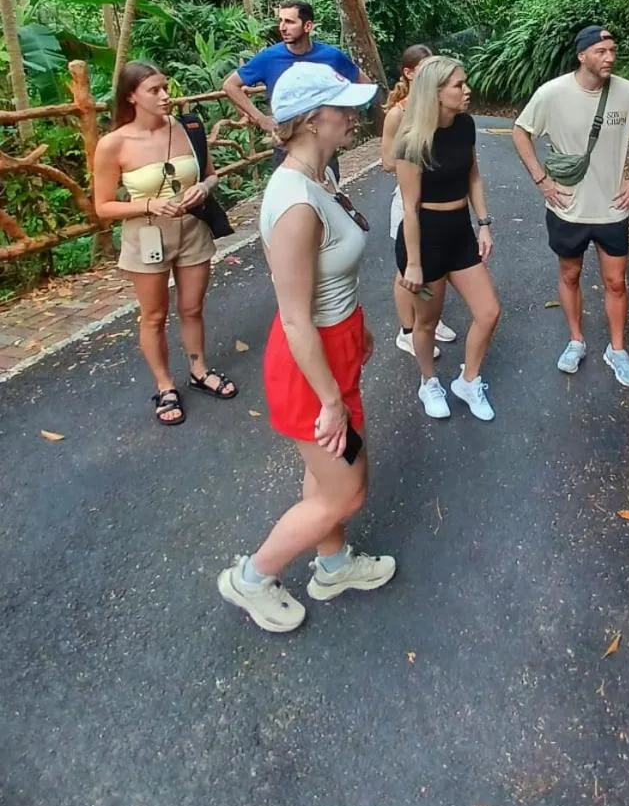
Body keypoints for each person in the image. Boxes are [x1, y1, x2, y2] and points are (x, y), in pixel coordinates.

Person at [218, 62, 394, 633]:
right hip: (309, 364)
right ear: (314, 119)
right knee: (347, 491)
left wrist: (357, 329)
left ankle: (334, 564)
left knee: (324, 478)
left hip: (336, 343)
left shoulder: (319, 179)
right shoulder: (296, 201)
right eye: (344, 108)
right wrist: (330, 400)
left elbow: (328, 283)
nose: (354, 115)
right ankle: (252, 578)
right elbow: (295, 316)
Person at [512, 25, 629, 389]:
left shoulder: (628, 93)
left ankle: (617, 349)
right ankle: (576, 340)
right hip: (567, 208)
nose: (610, 57)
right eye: (601, 51)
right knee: (570, 275)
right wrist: (541, 180)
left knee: (616, 281)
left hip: (612, 208)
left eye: (612, 50)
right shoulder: (552, 94)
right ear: (582, 56)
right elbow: (521, 131)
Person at [92, 62, 238, 426]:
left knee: (192, 307)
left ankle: (199, 370)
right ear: (131, 96)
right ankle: (165, 385)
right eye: (154, 90)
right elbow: (103, 206)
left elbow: (211, 175)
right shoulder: (114, 144)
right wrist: (149, 205)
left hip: (192, 228)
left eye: (165, 88)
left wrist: (203, 188)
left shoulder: (187, 128)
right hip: (147, 235)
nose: (165, 96)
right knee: (154, 315)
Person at [395, 56, 501, 422]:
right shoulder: (412, 140)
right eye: (459, 85)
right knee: (426, 322)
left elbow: (473, 175)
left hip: (460, 231)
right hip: (425, 239)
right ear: (436, 92)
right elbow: (410, 208)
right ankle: (429, 382)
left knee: (488, 311)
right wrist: (413, 263)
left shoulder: (465, 124)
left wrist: (483, 223)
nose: (467, 90)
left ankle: (469, 381)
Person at [222, 0, 372, 176]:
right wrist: (260, 118)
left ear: (307, 26)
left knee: (327, 188)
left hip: (323, 142)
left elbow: (364, 82)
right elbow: (230, 85)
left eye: (289, 22)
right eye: (281, 21)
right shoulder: (269, 57)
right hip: (286, 145)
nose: (282, 27)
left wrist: (345, 114)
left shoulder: (331, 56)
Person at [381, 44, 457, 359]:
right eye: (425, 69)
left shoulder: (441, 109)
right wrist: (415, 158)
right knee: (407, 268)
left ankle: (429, 320)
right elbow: (387, 161)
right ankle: (408, 331)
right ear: (409, 74)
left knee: (436, 264)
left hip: (440, 200)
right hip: (408, 200)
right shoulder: (398, 113)